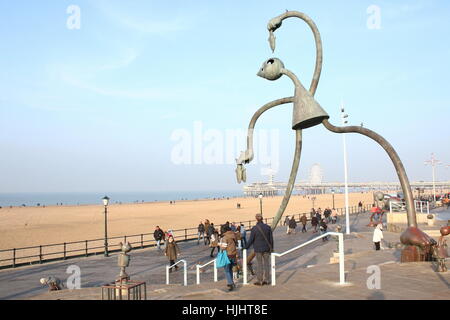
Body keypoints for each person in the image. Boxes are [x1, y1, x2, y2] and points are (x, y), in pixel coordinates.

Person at [245, 213, 273, 286]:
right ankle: (267, 280)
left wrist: (245, 247)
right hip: (266, 248)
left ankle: (260, 280)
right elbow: (271, 239)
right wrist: (271, 248)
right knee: (267, 264)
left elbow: (251, 240)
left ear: (256, 219)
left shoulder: (254, 228)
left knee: (259, 264)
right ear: (262, 218)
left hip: (258, 249)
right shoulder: (268, 227)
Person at [219, 225, 238, 291]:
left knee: (227, 270)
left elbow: (223, 247)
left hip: (227, 255)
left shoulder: (225, 237)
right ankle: (231, 282)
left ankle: (230, 283)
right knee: (230, 269)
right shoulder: (233, 235)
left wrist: (220, 245)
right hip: (234, 254)